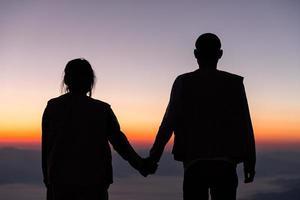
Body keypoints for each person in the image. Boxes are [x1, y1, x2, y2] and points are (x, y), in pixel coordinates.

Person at [146, 33, 256, 200]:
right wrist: (250, 160)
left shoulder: (183, 82)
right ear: (220, 54)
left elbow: (169, 122)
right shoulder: (234, 83)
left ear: (196, 54)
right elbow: (244, 124)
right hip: (225, 165)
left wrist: (153, 158)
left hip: (194, 164)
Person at [42, 58, 155, 200]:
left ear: (66, 80)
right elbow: (120, 143)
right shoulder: (102, 110)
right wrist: (141, 165)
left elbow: (46, 148)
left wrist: (48, 179)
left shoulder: (52, 107)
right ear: (90, 81)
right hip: (94, 183)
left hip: (60, 183)